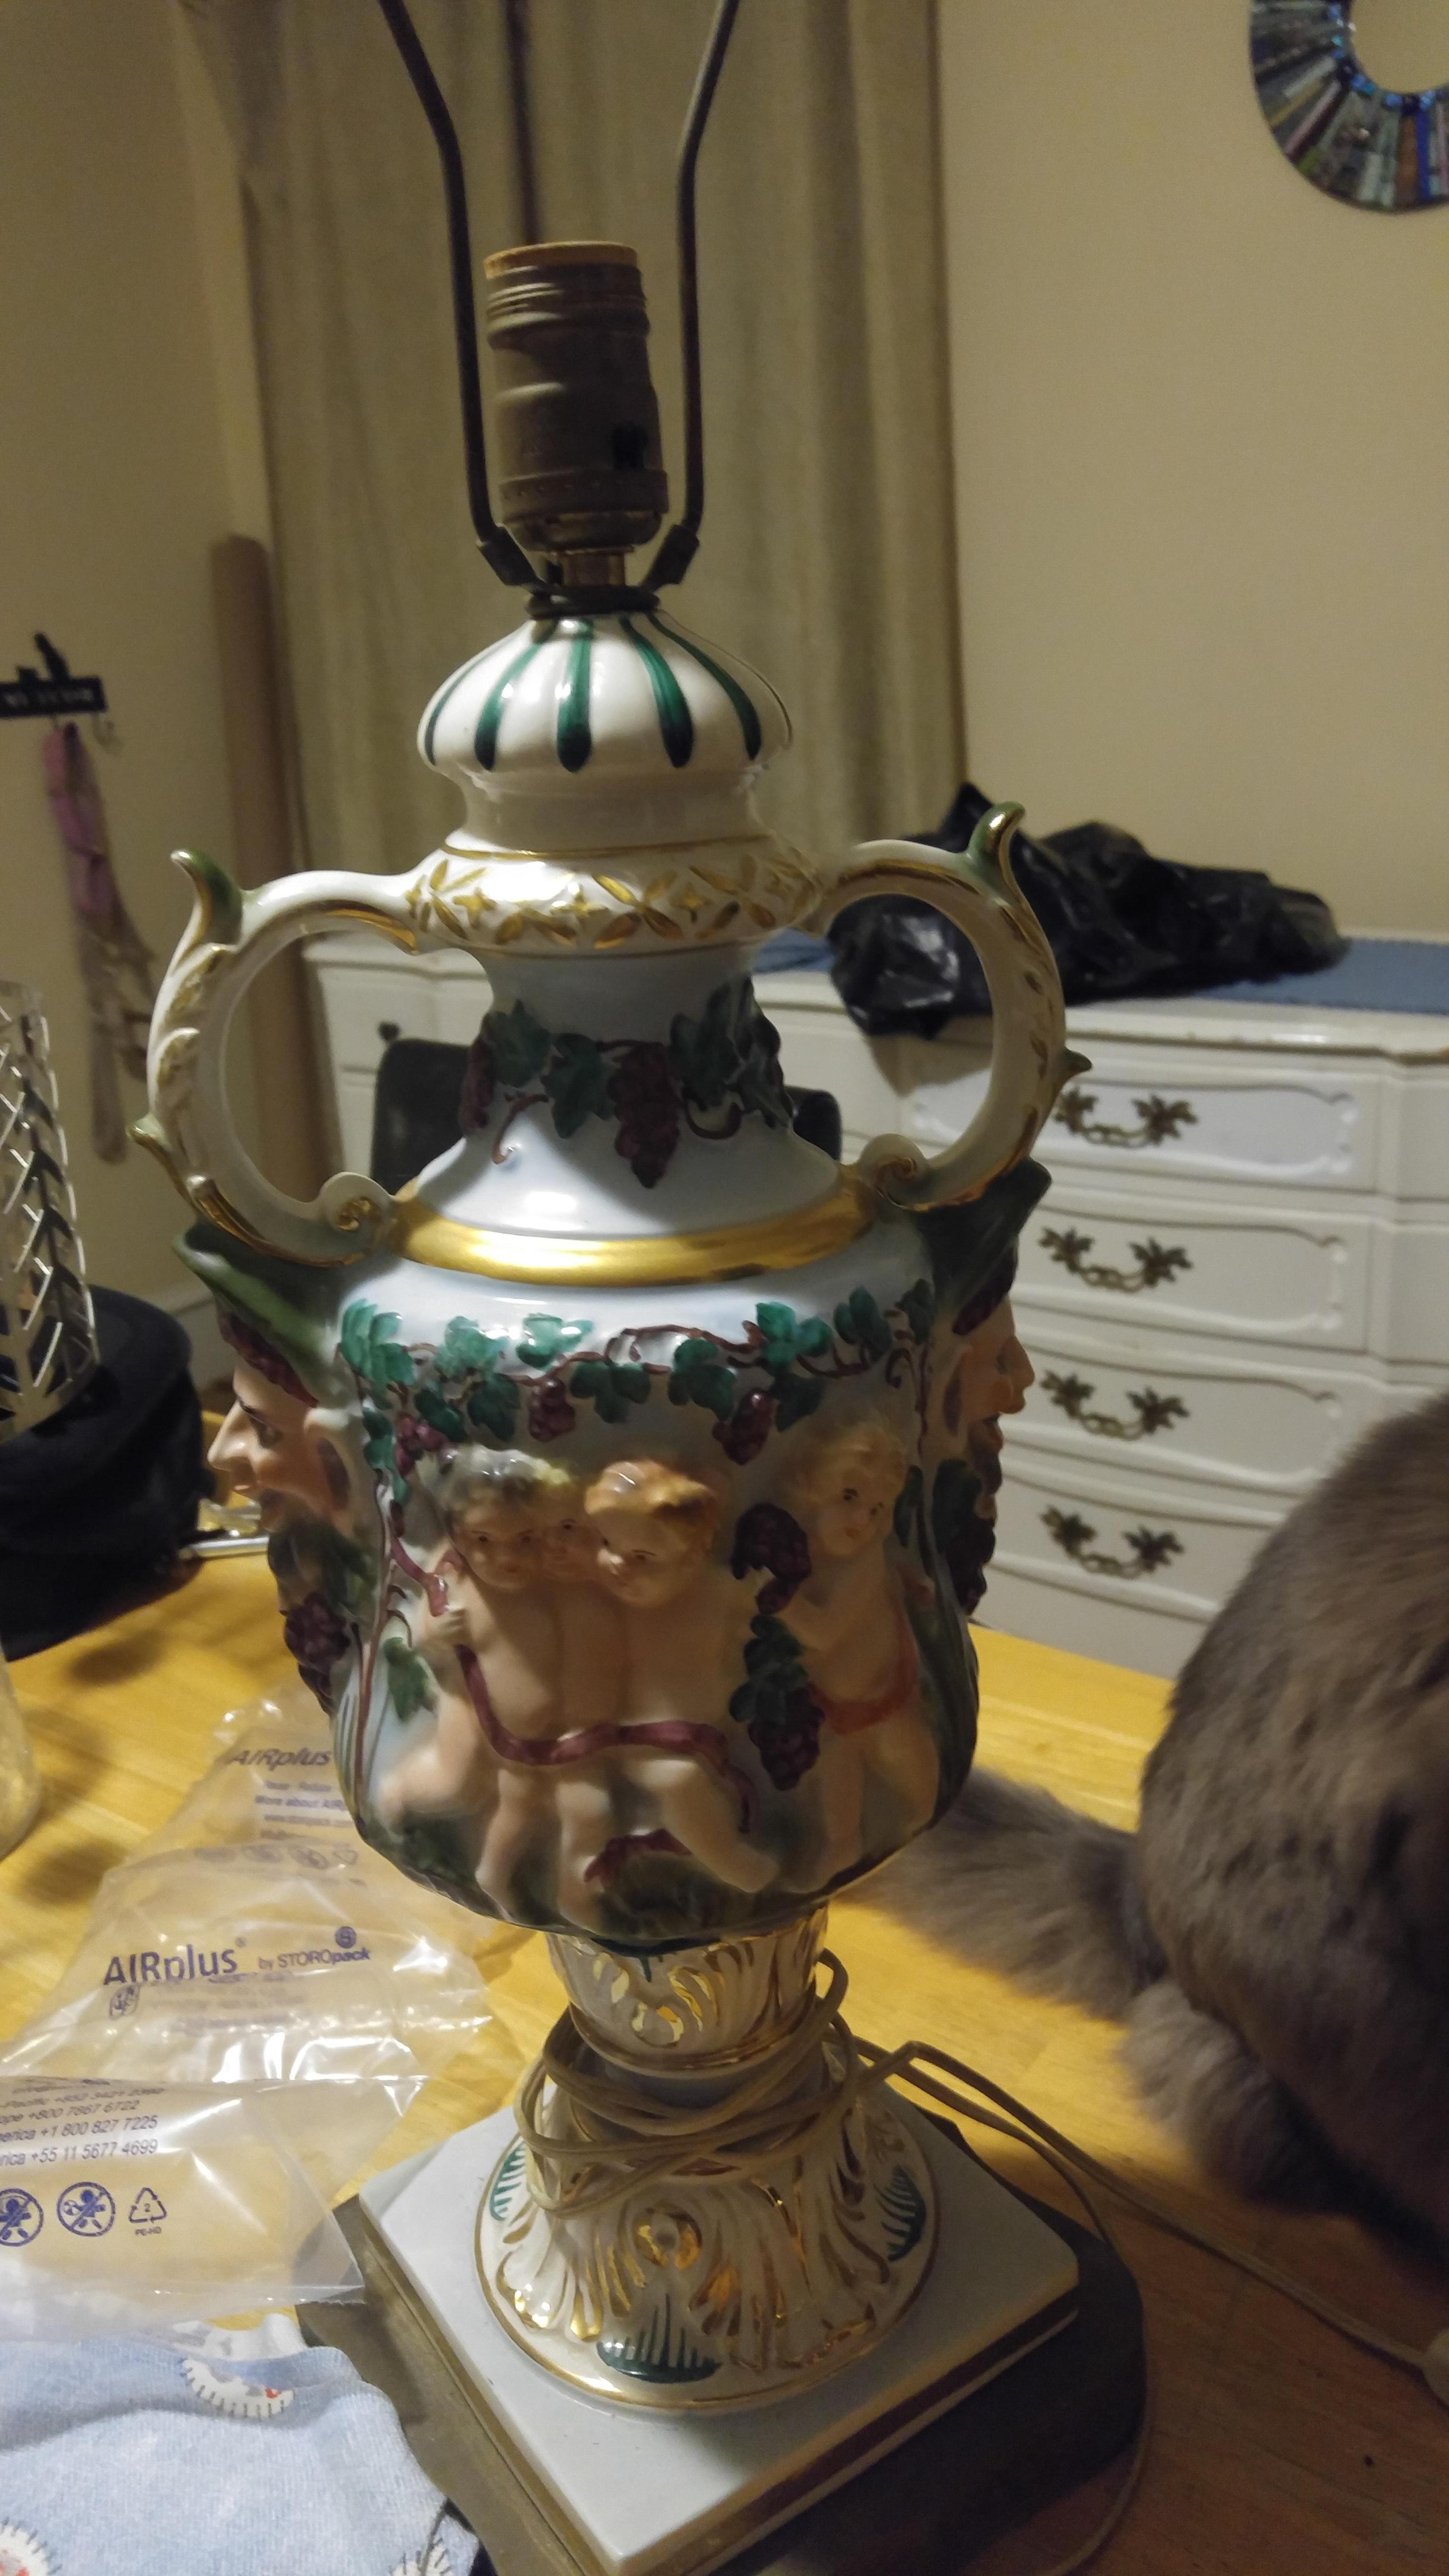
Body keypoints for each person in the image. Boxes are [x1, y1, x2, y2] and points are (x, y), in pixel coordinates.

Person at [583, 1460, 776, 1895]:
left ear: (691, 1558)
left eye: (642, 1558)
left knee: (694, 1781)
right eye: (607, 1544)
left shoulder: (719, 1591)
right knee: (678, 1780)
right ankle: (731, 1863)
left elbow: (769, 1611)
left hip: (705, 1734)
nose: (617, 1565)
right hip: (634, 1736)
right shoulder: (602, 1606)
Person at [779, 1418, 938, 1880]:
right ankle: (843, 1847)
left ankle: (930, 1829)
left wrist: (774, 1599)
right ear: (814, 1486)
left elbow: (823, 1632)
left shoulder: (865, 1562)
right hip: (835, 1706)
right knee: (838, 1777)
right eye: (849, 1497)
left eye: (877, 1510)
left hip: (881, 1698)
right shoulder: (804, 1550)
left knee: (912, 1775)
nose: (862, 1521)